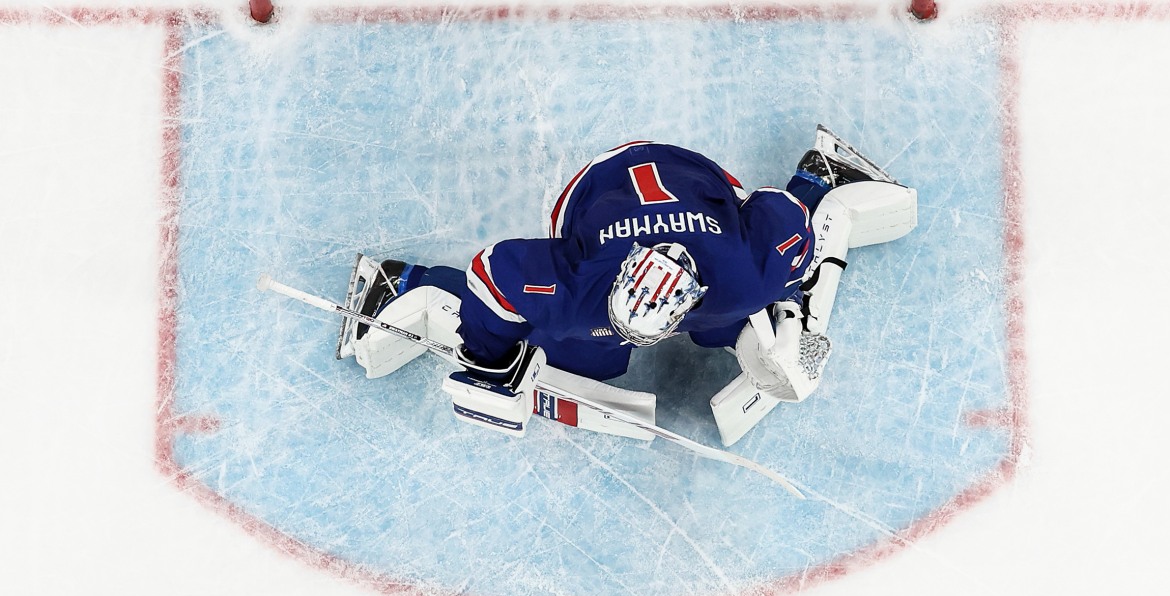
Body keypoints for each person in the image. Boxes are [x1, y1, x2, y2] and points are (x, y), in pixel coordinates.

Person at [336, 127, 917, 436]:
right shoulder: (583, 287)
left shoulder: (746, 274)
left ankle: (825, 170)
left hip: (696, 179)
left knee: (732, 321)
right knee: (582, 353)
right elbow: (493, 274)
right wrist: (490, 359)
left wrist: (788, 312)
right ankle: (398, 282)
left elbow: (784, 217)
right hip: (600, 186)